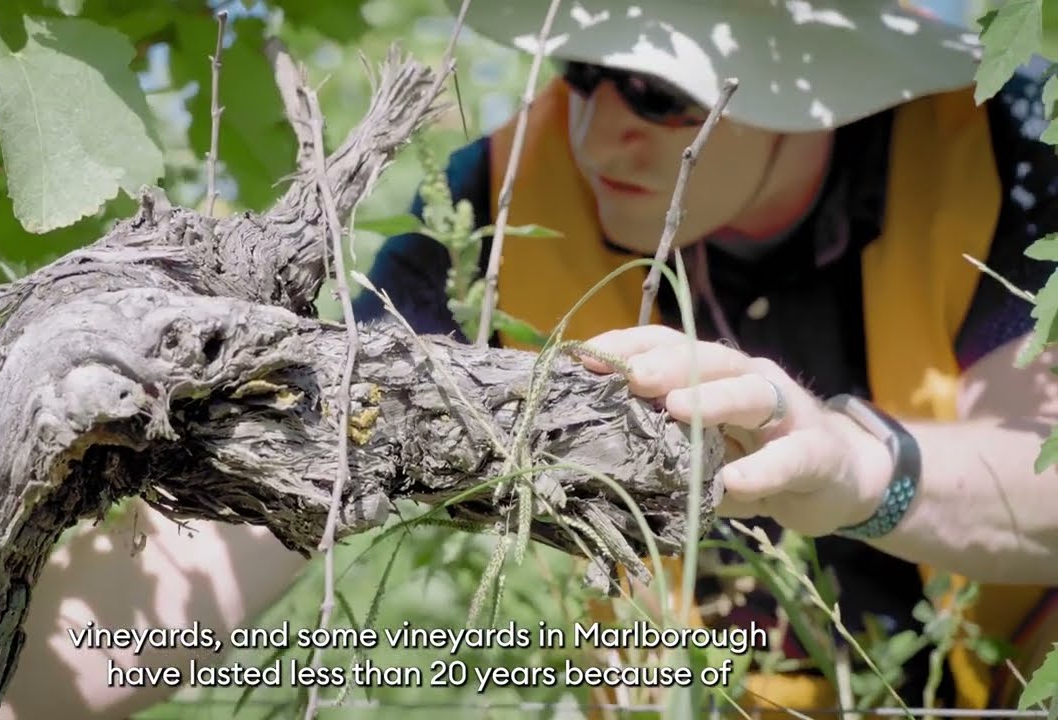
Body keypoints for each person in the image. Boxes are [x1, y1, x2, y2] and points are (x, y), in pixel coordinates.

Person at [350, 0, 1058, 716]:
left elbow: (1044, 476)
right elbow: (339, 412)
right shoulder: (501, 192)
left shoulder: (1005, 153)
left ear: (812, 76)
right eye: (581, 70)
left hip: (1010, 679)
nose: (594, 142)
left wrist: (860, 469)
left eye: (661, 94)